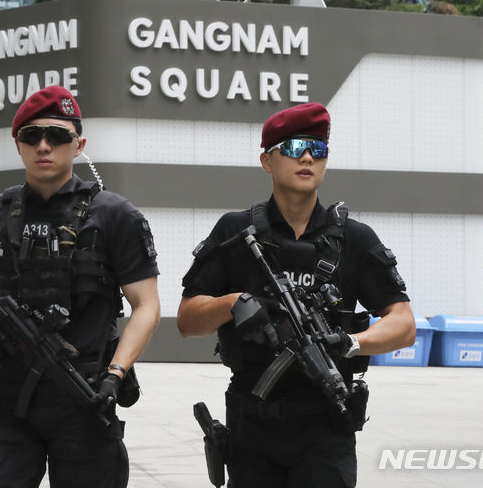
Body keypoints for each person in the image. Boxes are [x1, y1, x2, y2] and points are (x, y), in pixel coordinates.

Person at [176, 102, 415, 488]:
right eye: (293, 147)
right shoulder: (236, 231)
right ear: (267, 161)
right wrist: (233, 303)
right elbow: (188, 320)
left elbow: (404, 325)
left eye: (317, 149)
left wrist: (351, 343)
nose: (306, 157)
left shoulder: (355, 238)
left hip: (326, 422)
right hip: (252, 420)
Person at [0, 85, 161, 488]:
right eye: (31, 136)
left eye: (58, 136)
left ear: (79, 144)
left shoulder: (115, 216)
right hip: (6, 397)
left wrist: (116, 374)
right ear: (18, 145)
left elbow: (146, 306)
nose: (44, 145)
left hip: (85, 393)